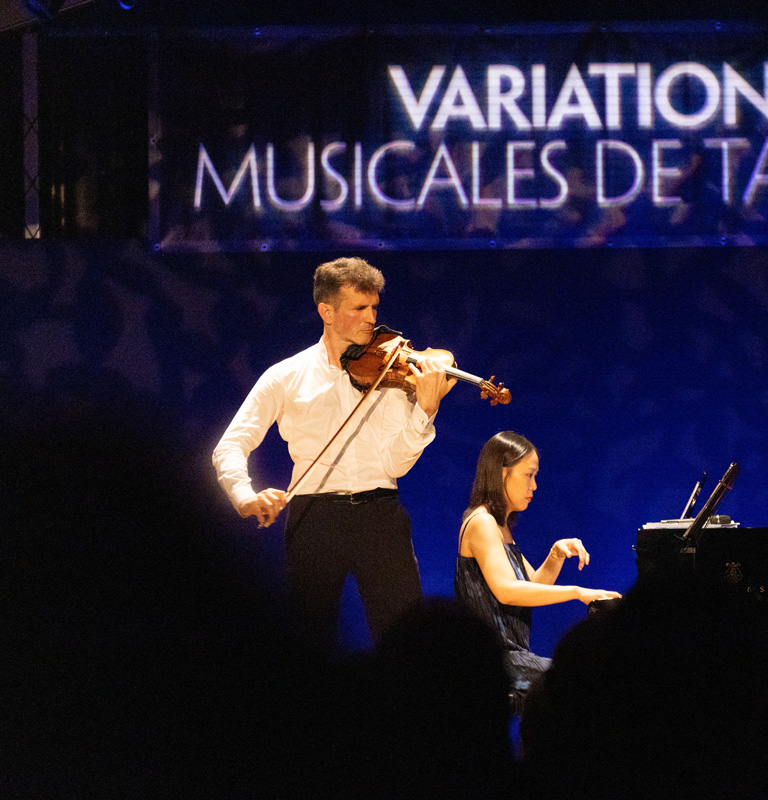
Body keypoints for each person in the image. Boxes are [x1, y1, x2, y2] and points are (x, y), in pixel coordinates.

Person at [213, 256, 453, 652]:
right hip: (314, 519)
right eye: (359, 308)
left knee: (406, 641)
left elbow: (394, 464)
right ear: (327, 312)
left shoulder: (391, 370)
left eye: (374, 307)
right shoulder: (286, 375)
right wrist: (244, 496)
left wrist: (424, 411)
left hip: (380, 516)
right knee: (308, 641)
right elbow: (231, 444)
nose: (371, 318)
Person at [456, 431, 620, 710]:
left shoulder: (499, 526)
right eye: (528, 475)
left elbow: (531, 584)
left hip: (512, 657)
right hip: (493, 661)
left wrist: (555, 555)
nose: (534, 485)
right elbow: (507, 591)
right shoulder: (482, 523)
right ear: (502, 474)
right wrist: (577, 592)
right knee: (583, 682)